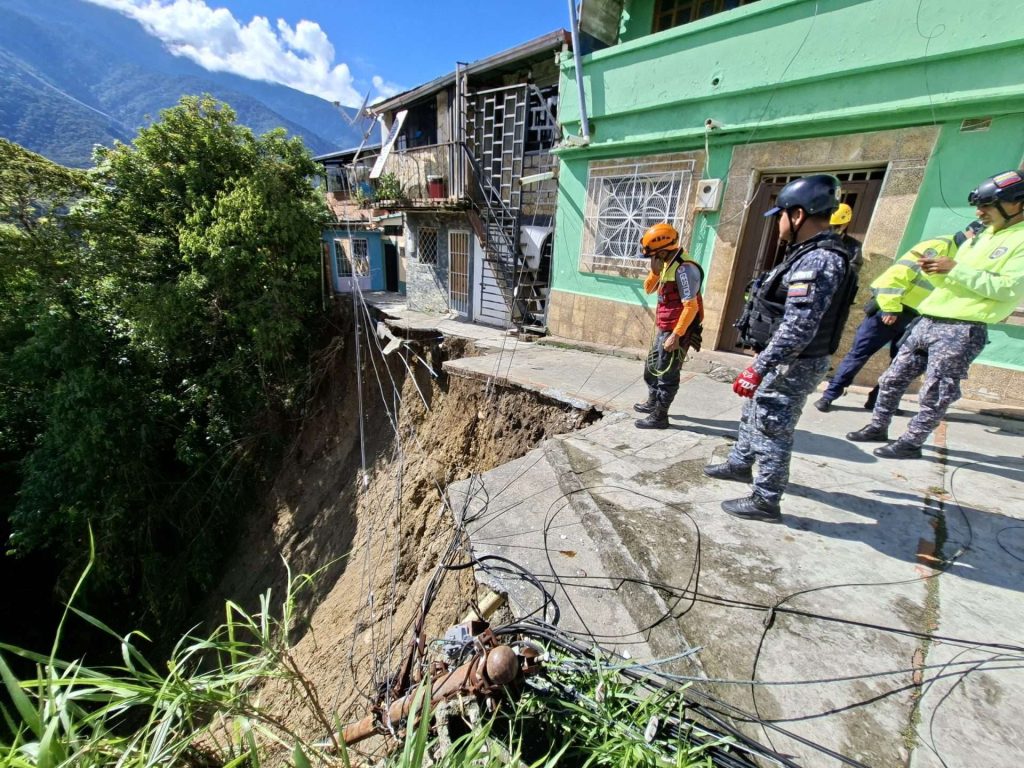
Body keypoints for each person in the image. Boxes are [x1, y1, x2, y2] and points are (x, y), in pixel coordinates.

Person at [704, 174, 859, 522]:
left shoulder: (819, 260)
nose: (778, 223)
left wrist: (759, 367)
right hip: (781, 358)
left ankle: (766, 500)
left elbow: (799, 326)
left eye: (780, 215)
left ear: (798, 215)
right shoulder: (806, 254)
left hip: (794, 362)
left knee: (773, 426)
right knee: (753, 413)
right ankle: (740, 463)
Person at [847, 169, 1024, 458]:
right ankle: (878, 425)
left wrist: (954, 268)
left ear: (1017, 203)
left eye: (987, 206)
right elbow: (956, 282)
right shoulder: (981, 236)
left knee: (935, 390)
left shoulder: (1021, 241)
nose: (979, 212)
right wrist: (937, 270)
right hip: (927, 319)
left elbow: (1006, 289)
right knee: (892, 379)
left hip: (961, 328)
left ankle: (912, 442)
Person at [812, 222, 982, 413]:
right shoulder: (940, 246)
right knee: (859, 354)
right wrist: (891, 308)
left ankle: (877, 402)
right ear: (973, 233)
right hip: (891, 310)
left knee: (899, 364)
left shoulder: (966, 257)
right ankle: (829, 396)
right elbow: (895, 276)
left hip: (918, 318)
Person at [633, 222, 704, 429]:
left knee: (667, 374)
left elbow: (690, 306)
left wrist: (676, 335)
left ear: (662, 251)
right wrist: (654, 272)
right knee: (652, 368)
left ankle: (660, 416)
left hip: (677, 330)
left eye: (653, 255)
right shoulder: (666, 264)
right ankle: (653, 403)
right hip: (665, 327)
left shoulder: (685, 269)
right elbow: (648, 289)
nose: (652, 259)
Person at [830, 202, 864, 271]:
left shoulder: (855, 246)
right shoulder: (819, 239)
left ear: (846, 224)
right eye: (832, 226)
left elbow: (855, 267)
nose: (834, 229)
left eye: (837, 226)